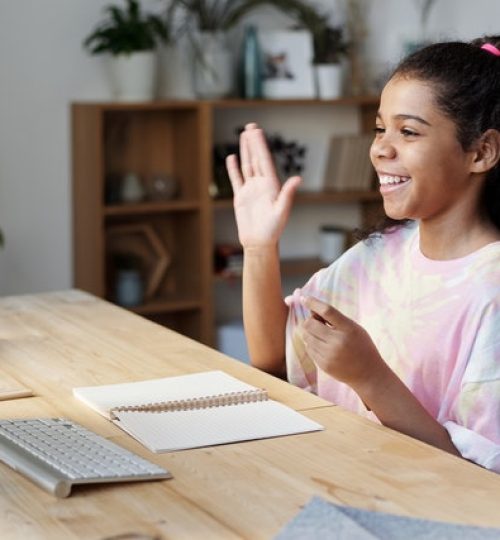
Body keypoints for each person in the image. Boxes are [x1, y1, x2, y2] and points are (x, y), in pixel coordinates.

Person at [225, 36, 500, 473]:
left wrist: (370, 377)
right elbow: (273, 357)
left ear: (481, 151)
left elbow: (482, 482)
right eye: (379, 128)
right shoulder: (377, 255)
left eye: (408, 131)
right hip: (347, 482)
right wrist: (260, 247)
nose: (380, 149)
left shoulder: (491, 290)